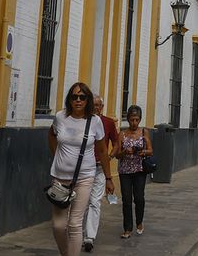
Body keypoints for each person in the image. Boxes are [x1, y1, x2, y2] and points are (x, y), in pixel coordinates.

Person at [47, 82, 112, 256]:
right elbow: (52, 135)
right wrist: (57, 155)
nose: (78, 100)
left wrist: (108, 178)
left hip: (84, 177)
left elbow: (102, 150)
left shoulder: (95, 121)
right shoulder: (60, 117)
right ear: (69, 99)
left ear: (87, 100)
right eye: (74, 97)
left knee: (75, 224)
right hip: (60, 178)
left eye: (82, 97)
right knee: (58, 225)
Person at [80, 93, 121, 252]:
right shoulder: (83, 121)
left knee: (95, 201)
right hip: (84, 168)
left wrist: (110, 157)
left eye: (98, 105)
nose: (95, 108)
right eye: (93, 105)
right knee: (82, 201)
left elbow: (116, 143)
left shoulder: (108, 122)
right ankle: (79, 233)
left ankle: (89, 237)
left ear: (102, 107)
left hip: (100, 168)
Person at [116, 105, 153, 239]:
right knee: (126, 200)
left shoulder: (144, 132)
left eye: (137, 120)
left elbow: (150, 150)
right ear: (128, 119)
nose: (134, 123)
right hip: (125, 171)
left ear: (140, 119)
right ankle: (127, 228)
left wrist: (142, 152)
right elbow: (117, 154)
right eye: (132, 120)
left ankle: (139, 222)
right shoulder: (122, 134)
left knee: (139, 198)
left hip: (139, 170)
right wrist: (124, 152)